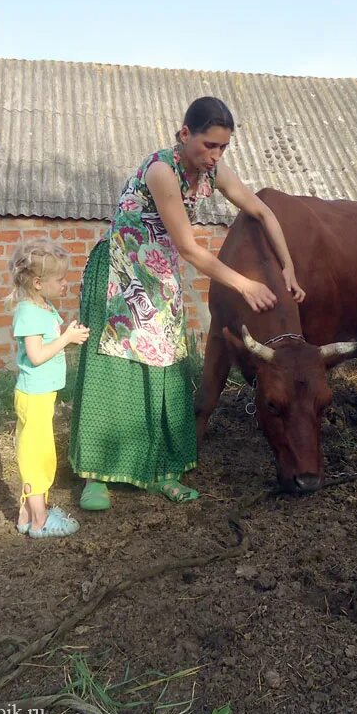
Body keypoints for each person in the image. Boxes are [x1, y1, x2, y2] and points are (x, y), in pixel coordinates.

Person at [68, 96, 306, 511]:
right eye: (208, 145)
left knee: (165, 369)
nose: (215, 155)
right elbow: (189, 248)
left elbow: (263, 212)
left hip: (158, 278)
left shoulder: (213, 174)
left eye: (223, 147)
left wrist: (288, 267)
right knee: (113, 369)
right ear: (184, 135)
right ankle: (96, 477)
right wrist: (245, 285)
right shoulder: (162, 171)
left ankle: (163, 471)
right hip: (120, 274)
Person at [7, 240, 90, 537]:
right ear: (39, 283)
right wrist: (67, 338)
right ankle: (41, 522)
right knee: (36, 457)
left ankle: (26, 517)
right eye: (60, 279)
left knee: (39, 452)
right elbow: (37, 355)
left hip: (42, 395)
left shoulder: (43, 307)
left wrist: (67, 332)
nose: (66, 284)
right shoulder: (29, 313)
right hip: (34, 396)